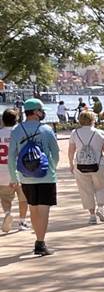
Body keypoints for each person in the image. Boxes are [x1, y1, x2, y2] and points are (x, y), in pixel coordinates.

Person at [7, 98, 59, 255]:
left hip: (25, 177)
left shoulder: (17, 130)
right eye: (41, 111)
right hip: (46, 176)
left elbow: (11, 156)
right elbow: (55, 153)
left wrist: (14, 177)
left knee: (33, 209)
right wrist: (52, 168)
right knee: (44, 209)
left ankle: (39, 240)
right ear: (36, 112)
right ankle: (40, 242)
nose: (42, 113)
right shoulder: (46, 130)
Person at [68, 109, 104, 224]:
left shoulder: (74, 133)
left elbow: (71, 151)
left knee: (85, 190)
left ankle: (92, 215)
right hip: (98, 164)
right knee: (101, 187)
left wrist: (71, 164)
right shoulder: (100, 133)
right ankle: (100, 208)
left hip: (80, 165)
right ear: (93, 120)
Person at [0, 108, 30, 234]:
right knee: (23, 198)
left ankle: (8, 213)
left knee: (5, 198)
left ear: (3, 120)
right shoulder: (19, 133)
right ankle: (22, 221)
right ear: (17, 120)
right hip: (20, 171)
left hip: (2, 171)